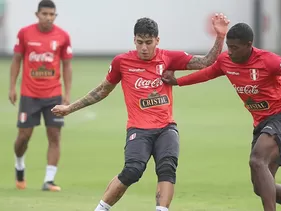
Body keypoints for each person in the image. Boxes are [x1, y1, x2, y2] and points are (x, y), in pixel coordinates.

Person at [161, 23, 281, 211]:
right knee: (261, 187)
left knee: (257, 160)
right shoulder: (225, 61)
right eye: (229, 46)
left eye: (235, 47)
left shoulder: (269, 60)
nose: (230, 51)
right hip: (262, 124)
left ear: (249, 45)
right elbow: (205, 74)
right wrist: (177, 82)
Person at [51, 15, 229, 211]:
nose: (144, 48)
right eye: (140, 42)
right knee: (132, 171)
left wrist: (220, 37)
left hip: (166, 128)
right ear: (134, 40)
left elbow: (206, 62)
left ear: (157, 41)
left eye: (149, 43)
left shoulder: (168, 57)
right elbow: (102, 90)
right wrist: (70, 108)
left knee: (167, 169)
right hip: (139, 129)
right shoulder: (122, 62)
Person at [9, 0, 73, 192]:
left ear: (55, 16)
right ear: (37, 15)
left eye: (51, 14)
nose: (47, 17)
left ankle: (49, 180)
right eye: (44, 14)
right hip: (29, 94)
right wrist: (12, 86)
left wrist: (67, 94)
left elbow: (67, 65)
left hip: (53, 95)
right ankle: (19, 164)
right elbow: (17, 60)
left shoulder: (63, 36)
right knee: (23, 137)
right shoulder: (25, 33)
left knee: (54, 135)